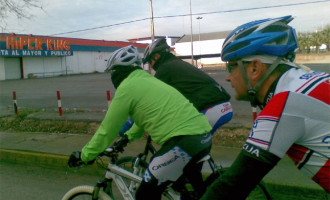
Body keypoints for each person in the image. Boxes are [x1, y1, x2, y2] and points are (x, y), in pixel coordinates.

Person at [201, 15, 330, 200]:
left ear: (255, 68)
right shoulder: (315, 79)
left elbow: (232, 185)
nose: (228, 77)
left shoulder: (285, 102)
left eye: (231, 67)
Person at [67, 45, 213, 200]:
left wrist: (84, 155)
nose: (112, 76)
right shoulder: (148, 80)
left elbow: (107, 130)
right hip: (202, 136)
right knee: (191, 192)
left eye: (112, 72)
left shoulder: (126, 88)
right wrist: (127, 137)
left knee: (145, 195)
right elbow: (143, 119)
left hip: (183, 142)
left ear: (118, 71)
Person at [142, 38, 233, 135]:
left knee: (180, 140)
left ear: (156, 56)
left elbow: (153, 99)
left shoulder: (164, 69)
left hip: (211, 110)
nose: (151, 66)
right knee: (198, 146)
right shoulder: (177, 63)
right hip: (225, 106)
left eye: (150, 62)